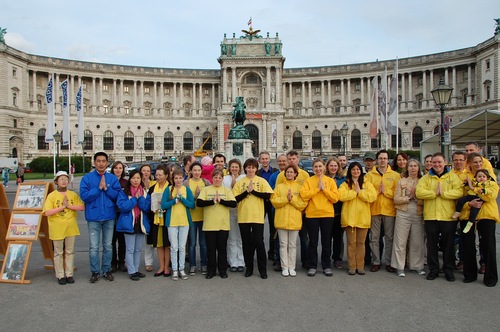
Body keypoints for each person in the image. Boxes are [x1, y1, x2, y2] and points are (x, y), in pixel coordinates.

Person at [416, 152, 463, 282]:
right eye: (434, 162)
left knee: (448, 246)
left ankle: (449, 270)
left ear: (445, 162)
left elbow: (459, 192)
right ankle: (433, 270)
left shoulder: (452, 177)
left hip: (448, 217)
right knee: (432, 246)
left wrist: (443, 194)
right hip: (431, 216)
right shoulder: (426, 178)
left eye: (439, 162)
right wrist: (433, 193)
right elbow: (419, 192)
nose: (436, 164)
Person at [80, 152, 122, 283]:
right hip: (93, 217)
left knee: (108, 246)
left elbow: (117, 196)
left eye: (104, 161)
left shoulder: (112, 179)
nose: (101, 163)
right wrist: (98, 188)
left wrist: (107, 189)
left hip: (109, 216)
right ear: (94, 162)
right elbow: (84, 196)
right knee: (94, 246)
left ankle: (106, 270)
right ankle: (95, 271)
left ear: (107, 163)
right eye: (98, 161)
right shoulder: (87, 178)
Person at [233, 158, 273, 279]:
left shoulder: (261, 181)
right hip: (244, 217)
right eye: (248, 167)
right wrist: (246, 192)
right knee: (246, 244)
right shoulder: (240, 182)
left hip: (257, 217)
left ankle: (262, 269)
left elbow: (268, 195)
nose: (251, 169)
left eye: (253, 167)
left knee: (259, 243)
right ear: (245, 168)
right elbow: (234, 199)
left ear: (256, 169)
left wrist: (253, 191)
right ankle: (249, 268)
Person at [43, 171, 85, 285]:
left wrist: (69, 206)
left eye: (65, 179)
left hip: (70, 227)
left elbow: (82, 206)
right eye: (61, 179)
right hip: (57, 227)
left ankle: (69, 274)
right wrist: (62, 207)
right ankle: (60, 275)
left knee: (70, 251)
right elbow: (47, 212)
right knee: (58, 252)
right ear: (56, 181)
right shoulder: (51, 195)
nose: (64, 181)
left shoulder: (73, 194)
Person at [300, 158, 339, 277]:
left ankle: (326, 265)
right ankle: (312, 265)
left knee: (326, 242)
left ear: (324, 167)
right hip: (312, 214)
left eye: (320, 166)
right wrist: (317, 189)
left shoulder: (330, 181)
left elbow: (335, 198)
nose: (318, 169)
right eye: (316, 167)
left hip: (327, 214)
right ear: (313, 168)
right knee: (313, 242)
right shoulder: (308, 180)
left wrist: (325, 190)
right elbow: (304, 195)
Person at [197, 169, 237, 279]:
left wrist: (221, 201)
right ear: (212, 178)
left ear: (222, 179)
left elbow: (233, 203)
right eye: (215, 177)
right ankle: (211, 271)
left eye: (219, 178)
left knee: (222, 249)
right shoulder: (206, 189)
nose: (217, 179)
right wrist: (212, 201)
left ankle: (222, 270)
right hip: (209, 225)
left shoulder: (226, 190)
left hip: (223, 224)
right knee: (211, 249)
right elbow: (199, 203)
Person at [365, 150, 400, 273]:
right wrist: (376, 192)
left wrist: (386, 192)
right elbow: (366, 192)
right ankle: (376, 261)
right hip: (374, 210)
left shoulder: (395, 175)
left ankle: (389, 262)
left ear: (388, 160)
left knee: (390, 238)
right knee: (374, 237)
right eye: (380, 158)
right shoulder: (369, 176)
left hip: (389, 210)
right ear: (377, 160)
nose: (382, 161)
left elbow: (397, 193)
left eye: (385, 158)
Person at [339, 162, 377, 275]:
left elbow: (372, 196)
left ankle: (360, 266)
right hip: (349, 218)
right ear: (350, 171)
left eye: (358, 169)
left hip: (363, 218)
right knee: (351, 243)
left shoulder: (367, 183)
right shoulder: (345, 184)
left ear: (361, 171)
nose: (356, 172)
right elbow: (341, 196)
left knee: (361, 243)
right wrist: (353, 192)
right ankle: (352, 266)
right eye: (353, 169)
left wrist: (360, 193)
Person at [460, 177, 499, 287]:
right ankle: (469, 275)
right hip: (467, 216)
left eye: (479, 161)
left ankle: (490, 276)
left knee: (488, 246)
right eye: (474, 162)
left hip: (486, 216)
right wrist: (469, 204)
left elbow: (490, 196)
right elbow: (460, 199)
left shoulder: (490, 182)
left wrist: (475, 189)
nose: (477, 164)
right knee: (468, 245)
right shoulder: (466, 178)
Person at [276, 150, 310, 269]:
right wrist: (287, 199)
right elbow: (277, 195)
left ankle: (304, 261)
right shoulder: (281, 176)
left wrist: (294, 201)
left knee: (303, 239)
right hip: (284, 213)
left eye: (294, 159)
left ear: (298, 159)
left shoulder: (305, 175)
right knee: (282, 242)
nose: (291, 161)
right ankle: (281, 263)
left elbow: (305, 195)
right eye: (289, 159)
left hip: (300, 213)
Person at [271, 165, 307, 277]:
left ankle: (292, 267)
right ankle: (284, 266)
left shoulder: (300, 187)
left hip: (294, 220)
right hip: (281, 219)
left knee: (292, 245)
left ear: (295, 174)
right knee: (283, 245)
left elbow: (302, 204)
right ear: (285, 174)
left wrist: (292, 200)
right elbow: (274, 201)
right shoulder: (279, 187)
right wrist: (286, 199)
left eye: (292, 172)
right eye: (288, 172)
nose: (289, 174)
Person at [391, 159, 425, 277]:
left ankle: (416, 265)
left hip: (418, 212)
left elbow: (426, 199)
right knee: (400, 240)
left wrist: (416, 197)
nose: (413, 168)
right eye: (410, 166)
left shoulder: (423, 181)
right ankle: (399, 266)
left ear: (419, 168)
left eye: (415, 166)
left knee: (417, 241)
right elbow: (396, 199)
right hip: (403, 212)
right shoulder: (401, 181)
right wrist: (408, 198)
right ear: (407, 168)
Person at [116, 169, 151, 281]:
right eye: (133, 178)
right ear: (129, 179)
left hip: (140, 223)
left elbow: (146, 208)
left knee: (138, 249)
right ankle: (131, 271)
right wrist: (134, 198)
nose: (136, 180)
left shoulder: (145, 193)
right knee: (130, 249)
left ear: (141, 179)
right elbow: (123, 207)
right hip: (129, 223)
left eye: (138, 178)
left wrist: (140, 197)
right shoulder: (124, 192)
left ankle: (136, 269)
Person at [161, 168, 195, 280]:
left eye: (180, 178)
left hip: (184, 221)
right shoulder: (168, 189)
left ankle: (182, 269)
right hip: (172, 222)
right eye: (176, 178)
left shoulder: (186, 189)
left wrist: (182, 199)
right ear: (173, 179)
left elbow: (191, 205)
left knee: (181, 247)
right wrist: (174, 201)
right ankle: (175, 270)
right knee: (174, 247)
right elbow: (163, 205)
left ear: (183, 178)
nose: (178, 180)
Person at [184, 161, 210, 275]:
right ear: (190, 171)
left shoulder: (206, 182)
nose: (197, 172)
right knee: (192, 243)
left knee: (204, 243)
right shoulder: (186, 183)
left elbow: (210, 196)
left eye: (199, 170)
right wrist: (197, 196)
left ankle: (204, 264)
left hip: (204, 216)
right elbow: (185, 199)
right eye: (194, 170)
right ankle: (192, 265)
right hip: (191, 217)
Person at [147, 164, 172, 277]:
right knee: (159, 244)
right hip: (156, 218)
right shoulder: (152, 188)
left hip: (168, 218)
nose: (158, 177)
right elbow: (148, 202)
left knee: (167, 244)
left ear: (166, 175)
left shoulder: (171, 187)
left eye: (160, 175)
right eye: (156, 175)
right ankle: (161, 266)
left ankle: (167, 267)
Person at [453, 169, 494, 233]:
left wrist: (484, 191)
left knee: (473, 212)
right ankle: (457, 212)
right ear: (476, 177)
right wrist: (466, 183)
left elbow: (490, 191)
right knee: (461, 200)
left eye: (484, 177)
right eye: (479, 176)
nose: (481, 178)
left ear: (487, 178)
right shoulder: (474, 182)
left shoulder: (488, 184)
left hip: (479, 198)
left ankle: (470, 223)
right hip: (471, 196)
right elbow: (467, 188)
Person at [223, 159, 246, 273]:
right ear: (229, 167)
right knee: (232, 238)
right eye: (232, 167)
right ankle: (232, 261)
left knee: (240, 238)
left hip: (241, 210)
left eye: (236, 167)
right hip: (229, 211)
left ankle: (241, 261)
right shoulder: (225, 179)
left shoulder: (243, 178)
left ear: (240, 168)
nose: (234, 169)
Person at [256, 151, 277, 262]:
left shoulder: (275, 172)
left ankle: (272, 252)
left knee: (273, 228)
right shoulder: (257, 173)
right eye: (262, 159)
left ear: (269, 159)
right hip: (261, 202)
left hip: (273, 203)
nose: (264, 160)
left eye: (266, 158)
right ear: (259, 160)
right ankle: (260, 250)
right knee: (259, 227)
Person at [325, 157, 346, 269]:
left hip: (338, 211)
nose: (333, 168)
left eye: (335, 166)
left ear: (338, 167)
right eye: (331, 165)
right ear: (327, 167)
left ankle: (337, 258)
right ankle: (326, 258)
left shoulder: (343, 179)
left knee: (338, 237)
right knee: (327, 238)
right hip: (326, 212)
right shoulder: (323, 178)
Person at [110, 161, 127, 273]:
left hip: (122, 213)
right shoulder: (109, 181)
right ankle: (113, 262)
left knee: (122, 240)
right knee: (111, 240)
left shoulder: (126, 183)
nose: (118, 170)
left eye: (120, 168)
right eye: (116, 168)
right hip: (111, 212)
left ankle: (122, 262)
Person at [140, 164, 156, 272]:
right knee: (142, 241)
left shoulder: (154, 184)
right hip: (140, 214)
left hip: (152, 214)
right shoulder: (137, 183)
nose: (146, 173)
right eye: (144, 170)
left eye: (148, 171)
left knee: (151, 240)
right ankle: (146, 262)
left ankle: (150, 262)